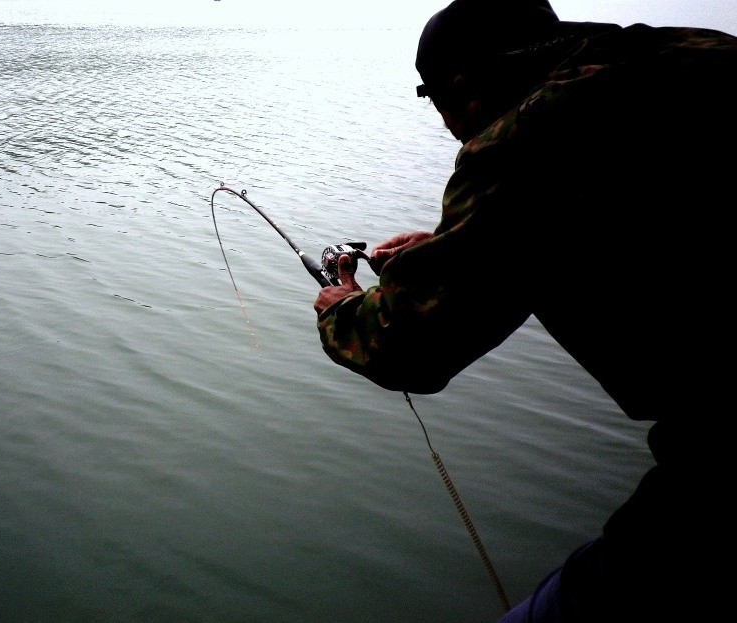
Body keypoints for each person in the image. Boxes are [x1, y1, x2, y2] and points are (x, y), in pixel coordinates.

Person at [313, 0, 736, 620]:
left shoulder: (538, 131)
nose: (449, 127)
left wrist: (342, 303)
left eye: (435, 100)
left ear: (461, 87)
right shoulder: (695, 55)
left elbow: (404, 347)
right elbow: (657, 220)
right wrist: (452, 248)